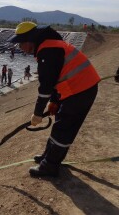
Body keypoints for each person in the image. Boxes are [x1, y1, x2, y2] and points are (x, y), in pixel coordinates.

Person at [9, 21, 100, 177]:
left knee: (63, 128)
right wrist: (54, 101)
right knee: (60, 125)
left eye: (20, 44)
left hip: (81, 90)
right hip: (77, 89)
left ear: (30, 41)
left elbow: (45, 87)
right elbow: (55, 79)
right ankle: (49, 157)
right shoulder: (50, 46)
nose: (20, 48)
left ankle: (50, 167)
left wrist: (38, 112)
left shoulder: (48, 50)